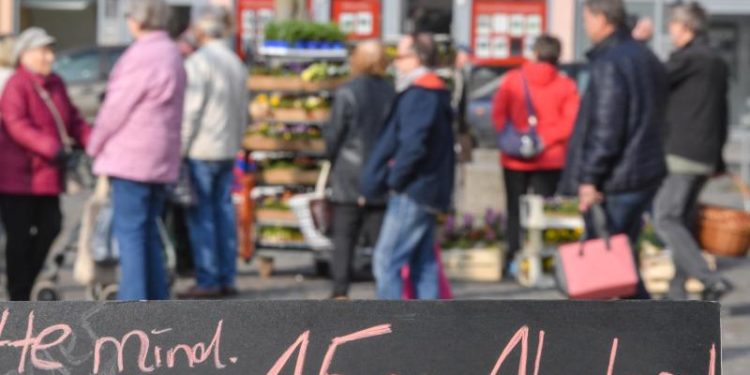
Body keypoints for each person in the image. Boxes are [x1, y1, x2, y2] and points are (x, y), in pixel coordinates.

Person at [559, 0, 668, 299]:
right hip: (640, 172)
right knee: (620, 261)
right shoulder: (645, 56)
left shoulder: (610, 62)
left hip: (617, 178)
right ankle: (638, 331)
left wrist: (590, 178)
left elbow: (606, 128)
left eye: (587, 19)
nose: (585, 25)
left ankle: (639, 332)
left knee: (607, 264)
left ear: (603, 18)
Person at [87, 0, 187, 301]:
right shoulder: (172, 53)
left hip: (132, 158)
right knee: (148, 235)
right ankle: (157, 302)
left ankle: (132, 308)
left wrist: (95, 144)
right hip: (161, 158)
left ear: (138, 21)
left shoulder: (140, 56)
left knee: (129, 235)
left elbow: (115, 109)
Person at [362, 33, 455, 300]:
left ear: (416, 58)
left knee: (386, 261)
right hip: (426, 187)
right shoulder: (432, 91)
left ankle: (391, 333)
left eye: (399, 56)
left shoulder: (421, 94)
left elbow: (413, 146)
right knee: (422, 263)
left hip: (414, 190)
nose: (395, 63)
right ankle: (430, 332)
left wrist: (394, 180)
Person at [0, 28, 91, 300]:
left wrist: (94, 141)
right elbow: (16, 124)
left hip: (48, 174)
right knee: (18, 236)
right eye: (44, 51)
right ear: (25, 55)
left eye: (51, 50)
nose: (50, 56)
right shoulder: (17, 84)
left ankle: (27, 280)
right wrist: (51, 148)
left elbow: (73, 120)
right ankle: (18, 293)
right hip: (18, 177)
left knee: (52, 225)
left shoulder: (55, 83)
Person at [654, 2, 733, 301]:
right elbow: (722, 111)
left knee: (665, 218)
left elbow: (655, 79)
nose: (670, 31)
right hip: (706, 154)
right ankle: (677, 292)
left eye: (673, 25)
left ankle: (709, 279)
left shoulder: (687, 59)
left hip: (681, 152)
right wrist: (720, 159)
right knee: (682, 222)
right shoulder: (716, 61)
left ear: (686, 27)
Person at [177, 6, 248, 299]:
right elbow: (243, 110)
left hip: (202, 148)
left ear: (202, 31)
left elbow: (190, 111)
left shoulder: (199, 62)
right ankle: (226, 275)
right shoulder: (235, 62)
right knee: (223, 212)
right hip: (227, 147)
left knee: (202, 214)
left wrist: (179, 147)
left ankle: (208, 278)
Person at [492, 35, 580, 273]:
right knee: (547, 211)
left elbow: (499, 113)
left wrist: (515, 139)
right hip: (550, 157)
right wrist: (544, 139)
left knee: (514, 209)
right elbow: (571, 122)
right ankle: (544, 259)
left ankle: (513, 257)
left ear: (535, 53)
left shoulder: (513, 80)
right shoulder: (566, 85)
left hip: (514, 158)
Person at [325, 41, 395, 300]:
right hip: (380, 172)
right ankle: (384, 291)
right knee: (379, 239)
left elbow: (334, 135)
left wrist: (333, 160)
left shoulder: (346, 91)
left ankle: (340, 291)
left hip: (349, 172)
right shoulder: (392, 92)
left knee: (343, 236)